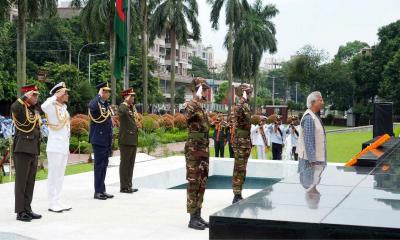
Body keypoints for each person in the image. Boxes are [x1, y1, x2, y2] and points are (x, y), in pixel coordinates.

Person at [11, 85, 42, 222]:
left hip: (33, 149)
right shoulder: (20, 108)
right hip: (22, 148)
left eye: (36, 95)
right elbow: (14, 107)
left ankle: (27, 209)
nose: (36, 97)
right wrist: (24, 97)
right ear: (27, 96)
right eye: (33, 95)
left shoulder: (32, 110)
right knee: (21, 182)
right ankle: (20, 211)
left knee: (30, 182)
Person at [184, 77, 211, 230]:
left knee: (202, 182)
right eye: (203, 88)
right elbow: (187, 115)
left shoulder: (200, 106)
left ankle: (198, 215)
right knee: (194, 182)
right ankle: (192, 218)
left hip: (203, 149)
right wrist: (196, 96)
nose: (205, 91)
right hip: (194, 150)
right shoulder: (191, 104)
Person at [41, 82, 72, 213]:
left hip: (63, 146)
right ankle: (52, 202)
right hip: (54, 146)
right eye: (65, 93)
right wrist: (55, 96)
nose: (67, 95)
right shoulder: (51, 106)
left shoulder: (63, 107)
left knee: (60, 175)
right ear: (58, 94)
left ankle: (58, 200)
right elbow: (43, 106)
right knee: (53, 174)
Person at [296, 91, 327, 193]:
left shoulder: (314, 115)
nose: (323, 102)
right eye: (320, 100)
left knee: (313, 187)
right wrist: (313, 162)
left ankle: (312, 202)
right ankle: (309, 204)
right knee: (309, 187)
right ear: (313, 102)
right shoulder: (309, 118)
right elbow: (308, 141)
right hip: (311, 162)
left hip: (315, 161)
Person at [88, 82, 114, 200]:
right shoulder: (96, 103)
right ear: (101, 92)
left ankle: (102, 190)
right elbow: (91, 106)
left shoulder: (105, 104)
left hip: (106, 139)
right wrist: (98, 96)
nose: (108, 93)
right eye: (106, 91)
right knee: (99, 166)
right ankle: (97, 191)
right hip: (98, 139)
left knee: (104, 166)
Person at [232, 84, 253, 204]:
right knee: (239, 168)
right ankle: (236, 194)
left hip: (245, 141)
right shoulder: (240, 105)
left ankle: (239, 193)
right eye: (248, 92)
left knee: (243, 168)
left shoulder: (245, 106)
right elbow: (237, 112)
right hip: (240, 142)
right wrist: (243, 98)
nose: (250, 94)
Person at [118, 88, 139, 194]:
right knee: (125, 164)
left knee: (131, 164)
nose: (133, 98)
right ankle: (124, 187)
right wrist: (126, 102)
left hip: (132, 139)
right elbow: (121, 111)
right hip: (126, 140)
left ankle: (129, 185)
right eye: (131, 96)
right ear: (126, 97)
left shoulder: (131, 108)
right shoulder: (123, 107)